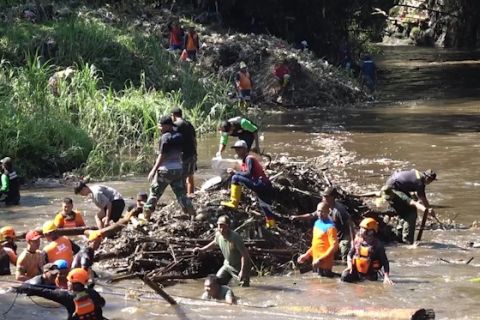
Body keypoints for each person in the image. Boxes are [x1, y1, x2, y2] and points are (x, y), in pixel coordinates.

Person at [144, 116, 195, 219]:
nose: (159, 128)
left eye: (160, 126)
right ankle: (192, 213)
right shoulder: (179, 136)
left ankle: (146, 217)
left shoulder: (165, 137)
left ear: (167, 126)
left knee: (154, 193)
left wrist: (153, 170)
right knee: (181, 194)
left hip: (165, 171)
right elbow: (182, 152)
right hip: (177, 170)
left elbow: (162, 155)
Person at [221, 140, 276, 228]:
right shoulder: (245, 161)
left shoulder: (249, 158)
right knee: (265, 205)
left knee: (235, 178)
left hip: (260, 183)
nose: (237, 151)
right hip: (265, 185)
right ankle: (271, 225)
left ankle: (234, 203)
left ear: (245, 149)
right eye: (236, 149)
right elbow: (247, 174)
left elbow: (248, 174)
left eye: (239, 149)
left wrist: (235, 172)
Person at [290, 187, 354, 262]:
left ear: (332, 197)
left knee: (344, 250)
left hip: (343, 236)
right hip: (331, 233)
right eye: (323, 196)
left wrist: (352, 241)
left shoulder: (339, 210)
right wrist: (298, 217)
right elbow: (312, 215)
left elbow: (350, 225)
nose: (323, 198)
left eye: (326, 196)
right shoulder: (324, 207)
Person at [15, 268, 106, 320]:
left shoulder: (66, 297)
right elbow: (102, 303)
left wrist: (25, 288)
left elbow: (43, 292)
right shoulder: (94, 293)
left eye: (69, 281)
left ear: (73, 283)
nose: (67, 283)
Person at [381, 169, 437, 244]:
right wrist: (429, 210)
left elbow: (412, 188)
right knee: (411, 212)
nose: (430, 182)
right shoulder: (420, 182)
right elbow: (423, 197)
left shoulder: (418, 174)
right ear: (427, 177)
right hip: (393, 188)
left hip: (395, 184)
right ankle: (407, 240)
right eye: (430, 180)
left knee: (405, 208)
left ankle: (399, 234)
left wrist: (416, 200)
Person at [193, 215, 250, 287]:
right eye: (219, 226)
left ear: (228, 226)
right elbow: (214, 243)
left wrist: (242, 271)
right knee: (216, 283)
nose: (221, 229)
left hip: (239, 267)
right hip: (227, 265)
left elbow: (244, 255)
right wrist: (201, 249)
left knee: (244, 288)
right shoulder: (218, 235)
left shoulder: (235, 237)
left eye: (223, 226)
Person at [341, 218, 394, 285]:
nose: (360, 231)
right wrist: (349, 266)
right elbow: (349, 255)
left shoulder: (378, 245)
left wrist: (386, 277)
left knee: (369, 286)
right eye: (360, 228)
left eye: (363, 229)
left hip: (370, 275)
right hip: (356, 271)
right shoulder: (357, 241)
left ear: (371, 232)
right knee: (344, 276)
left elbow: (385, 262)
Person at [297, 202, 338, 277]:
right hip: (315, 262)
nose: (320, 213)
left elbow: (334, 247)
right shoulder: (316, 223)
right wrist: (307, 255)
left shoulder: (331, 227)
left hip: (325, 264)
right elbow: (316, 244)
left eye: (323, 211)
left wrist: (321, 259)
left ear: (328, 212)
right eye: (319, 211)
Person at [171, 107, 197, 197]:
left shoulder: (175, 125)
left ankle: (184, 197)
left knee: (181, 178)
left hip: (183, 154)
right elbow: (194, 139)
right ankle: (191, 194)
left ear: (173, 115)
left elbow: (172, 140)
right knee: (190, 176)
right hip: (192, 152)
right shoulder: (189, 124)